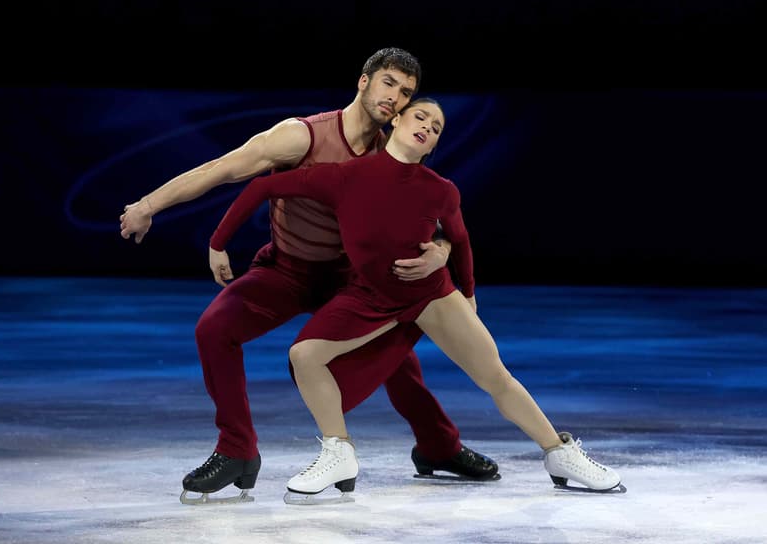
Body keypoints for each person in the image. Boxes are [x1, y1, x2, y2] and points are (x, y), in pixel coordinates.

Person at [119, 47, 499, 504]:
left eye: (406, 93)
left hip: (352, 278)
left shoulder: (397, 149)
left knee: (397, 356)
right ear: (363, 81)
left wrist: (440, 253)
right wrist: (148, 205)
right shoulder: (302, 136)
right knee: (214, 329)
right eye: (388, 83)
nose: (395, 98)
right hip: (287, 271)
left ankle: (438, 446)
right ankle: (237, 450)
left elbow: (436, 223)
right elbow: (223, 169)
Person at [208, 97, 624, 501]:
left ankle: (559, 454)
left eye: (436, 127)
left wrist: (468, 293)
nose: (427, 126)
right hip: (371, 298)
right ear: (397, 122)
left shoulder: (441, 190)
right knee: (304, 355)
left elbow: (460, 241)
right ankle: (339, 453)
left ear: (433, 145)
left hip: (430, 296)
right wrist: (218, 242)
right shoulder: (343, 177)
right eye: (420, 117)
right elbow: (262, 186)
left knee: (494, 376)